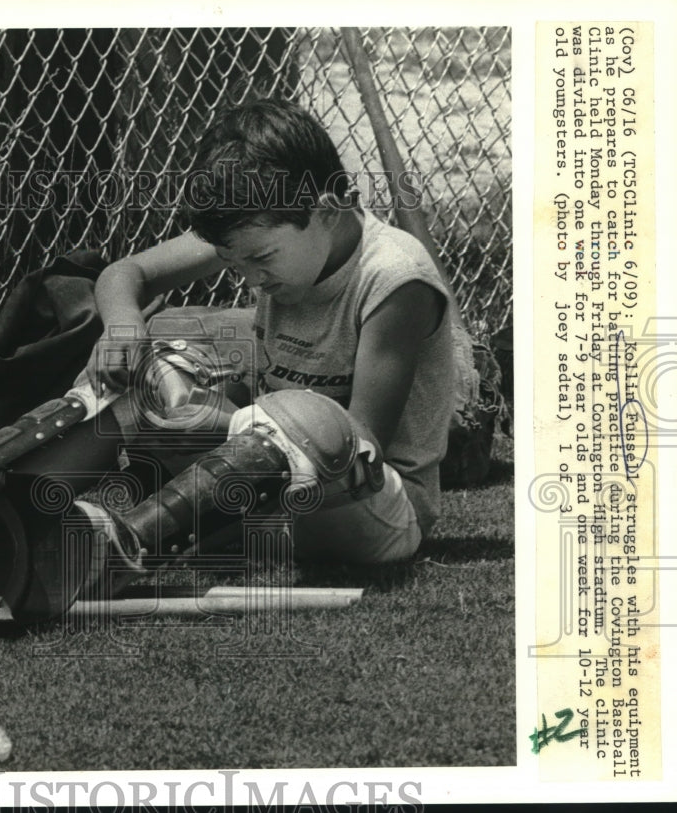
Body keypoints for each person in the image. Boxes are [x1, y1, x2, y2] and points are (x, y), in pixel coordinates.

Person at [79, 97, 456, 564]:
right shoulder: (258, 225)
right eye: (234, 264)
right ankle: (11, 499)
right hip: (268, 480)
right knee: (139, 366)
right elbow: (125, 274)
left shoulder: (395, 277)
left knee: (306, 424)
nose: (250, 279)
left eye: (259, 261)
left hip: (370, 503)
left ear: (326, 212)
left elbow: (355, 445)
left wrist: (217, 419)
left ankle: (132, 540)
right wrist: (122, 329)